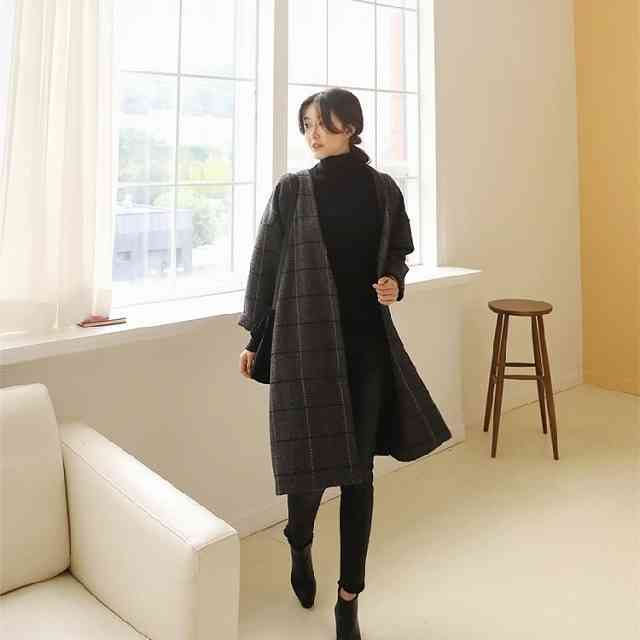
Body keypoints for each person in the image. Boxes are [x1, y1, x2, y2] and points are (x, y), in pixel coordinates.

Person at [239, 88, 405, 639]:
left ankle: (348, 600)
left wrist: (393, 282)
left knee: (359, 475)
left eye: (324, 124)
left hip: (366, 347)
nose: (313, 134)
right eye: (307, 124)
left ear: (351, 126)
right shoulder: (292, 190)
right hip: (305, 344)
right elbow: (266, 267)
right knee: (308, 466)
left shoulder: (383, 190)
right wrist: (256, 339)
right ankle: (299, 541)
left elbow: (396, 252)